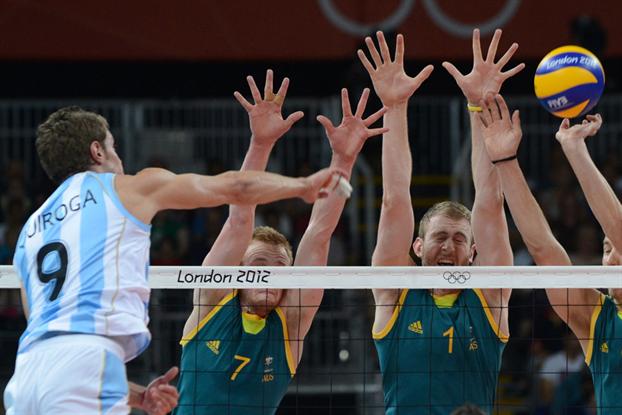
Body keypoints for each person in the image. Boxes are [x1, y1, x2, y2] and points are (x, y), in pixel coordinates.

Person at [3, 102, 344, 414]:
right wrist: (300, 185)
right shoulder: (128, 187)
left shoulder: (30, 231)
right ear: (97, 150)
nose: (120, 160)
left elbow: (51, 336)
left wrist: (138, 396)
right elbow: (234, 190)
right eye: (114, 147)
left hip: (27, 374)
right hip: (88, 360)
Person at [174, 71, 387, 414]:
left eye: (280, 269)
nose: (270, 276)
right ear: (238, 272)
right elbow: (240, 219)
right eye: (260, 266)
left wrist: (343, 160)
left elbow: (318, 234)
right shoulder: (212, 300)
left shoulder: (289, 324)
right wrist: (260, 144)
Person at [358, 29, 522, 413]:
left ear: (473, 252)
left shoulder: (489, 297)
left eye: (459, 239)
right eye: (439, 237)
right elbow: (394, 200)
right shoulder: (394, 294)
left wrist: (480, 105)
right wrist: (394, 108)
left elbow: (490, 203)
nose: (448, 246)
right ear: (417, 247)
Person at [480, 95, 622, 414]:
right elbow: (544, 251)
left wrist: (575, 150)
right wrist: (505, 161)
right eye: (605, 250)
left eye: (616, 250)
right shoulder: (596, 317)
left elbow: (618, 226)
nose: (611, 259)